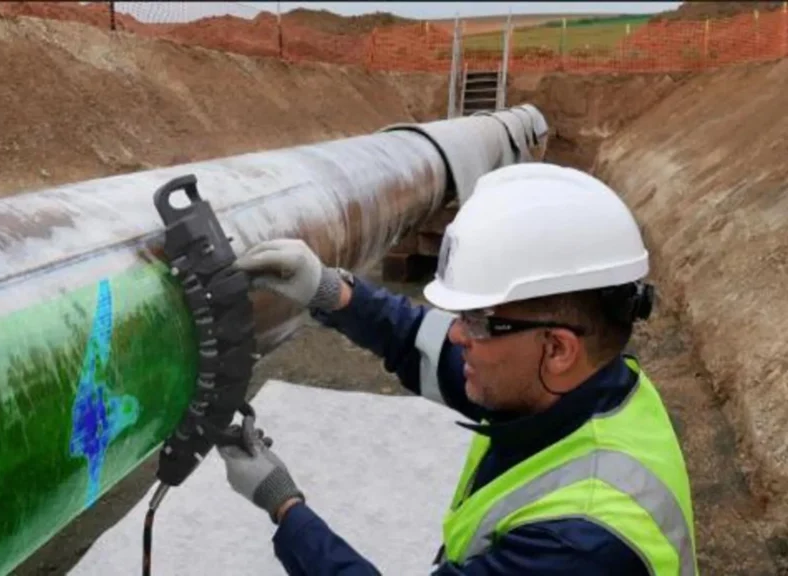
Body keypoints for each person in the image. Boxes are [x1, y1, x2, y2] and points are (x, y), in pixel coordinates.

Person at [217, 163, 698, 575]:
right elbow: (421, 345)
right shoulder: (581, 389)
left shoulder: (580, 544)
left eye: (478, 321)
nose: (456, 334)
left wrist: (284, 506)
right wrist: (332, 292)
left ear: (557, 348)